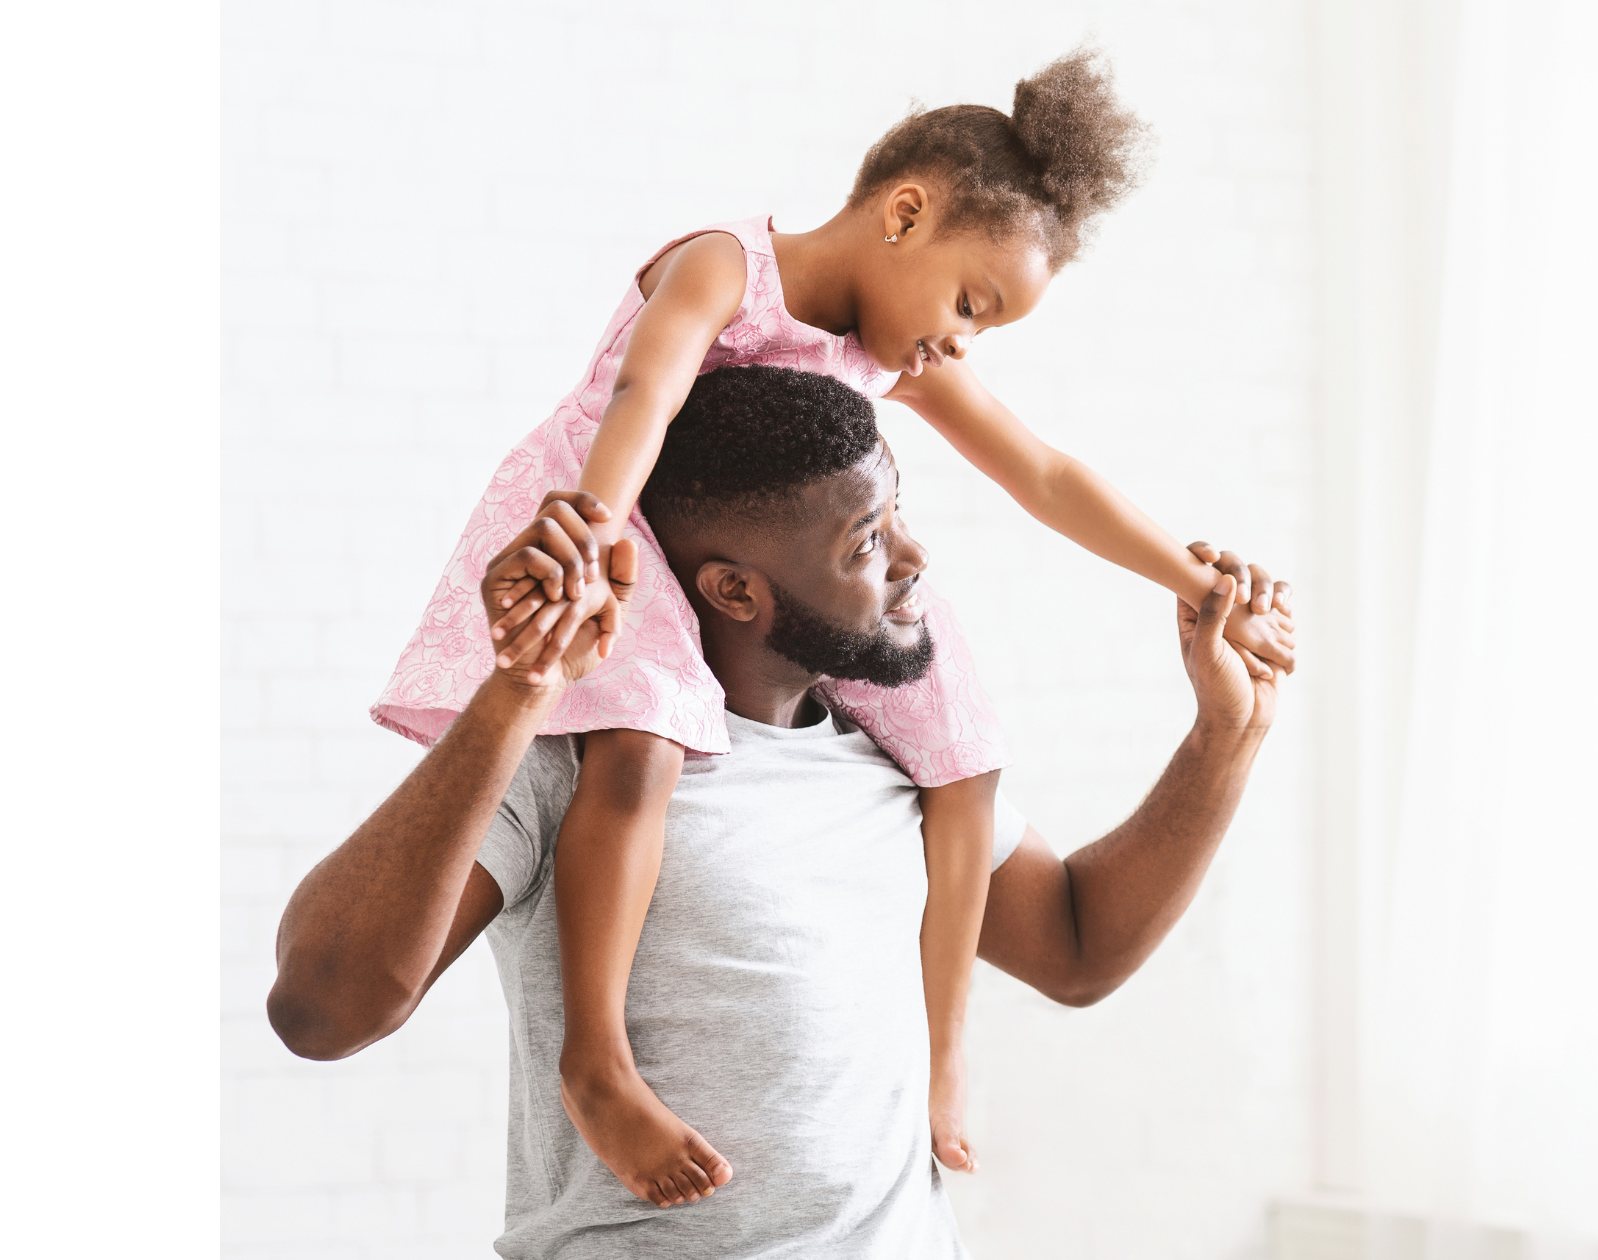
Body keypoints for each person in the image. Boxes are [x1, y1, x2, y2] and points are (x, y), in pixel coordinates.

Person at [368, 46, 1295, 1200]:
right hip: (632, 525)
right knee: (643, 742)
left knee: (965, 750)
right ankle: (597, 1060)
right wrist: (599, 527)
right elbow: (644, 391)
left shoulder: (884, 356)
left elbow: (1044, 472)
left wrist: (1193, 581)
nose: (963, 342)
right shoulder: (724, 265)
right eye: (971, 303)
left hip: (792, 570)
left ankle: (944, 1049)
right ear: (904, 213)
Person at [272, 364, 1291, 1255]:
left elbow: (1076, 949)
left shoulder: (894, 760)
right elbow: (322, 1010)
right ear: (733, 590)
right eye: (864, 542)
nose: (913, 559)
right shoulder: (574, 771)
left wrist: (1225, 735)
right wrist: (515, 691)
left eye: (897, 515)